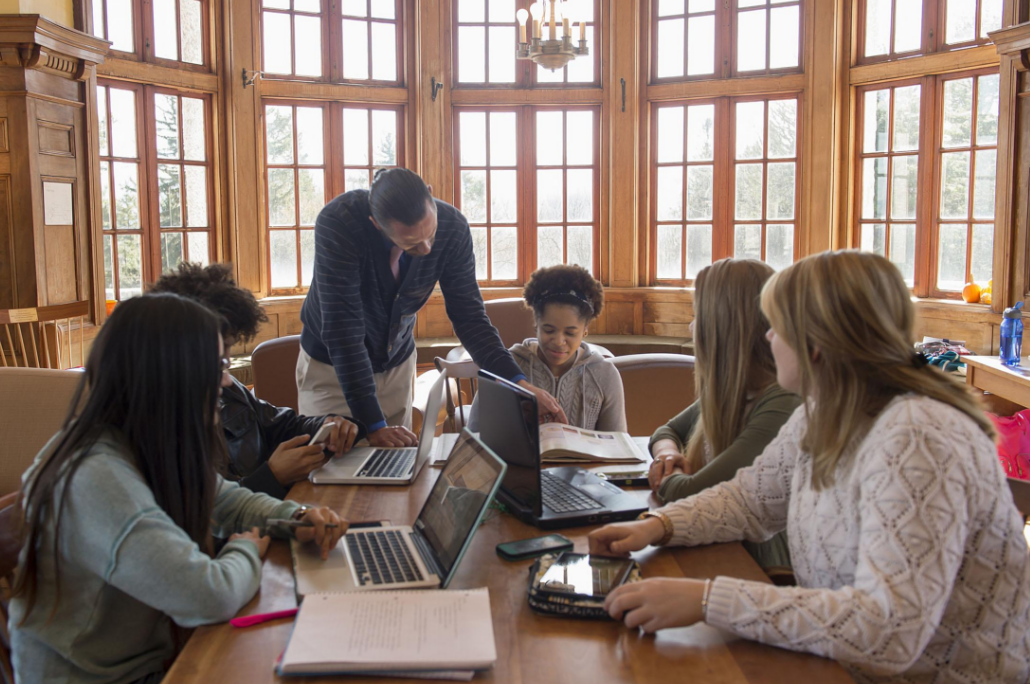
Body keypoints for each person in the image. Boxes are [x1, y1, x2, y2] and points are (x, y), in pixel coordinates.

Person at [588, 251, 1030, 683]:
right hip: (838, 663)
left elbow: (889, 631)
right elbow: (749, 501)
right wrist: (657, 526)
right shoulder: (822, 412)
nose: (767, 338)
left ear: (817, 344)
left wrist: (708, 600)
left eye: (777, 326)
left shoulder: (917, 437)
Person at [10, 294, 346, 684]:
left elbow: (226, 501)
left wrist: (296, 517)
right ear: (172, 374)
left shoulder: (144, 438)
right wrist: (245, 548)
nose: (226, 381)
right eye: (218, 366)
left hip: (157, 654)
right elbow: (209, 596)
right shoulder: (95, 477)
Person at [297, 168, 565, 448]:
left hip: (396, 364)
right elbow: (343, 330)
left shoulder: (453, 226)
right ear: (376, 224)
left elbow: (470, 318)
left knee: (391, 463)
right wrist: (374, 425)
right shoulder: (339, 223)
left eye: (431, 234)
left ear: (430, 193)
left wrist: (520, 386)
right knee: (332, 462)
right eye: (411, 244)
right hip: (334, 367)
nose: (426, 249)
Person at [150, 262, 363, 498]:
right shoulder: (157, 427)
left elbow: (280, 425)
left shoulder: (228, 389)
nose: (226, 373)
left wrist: (328, 426)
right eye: (219, 353)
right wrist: (272, 476)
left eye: (228, 350)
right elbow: (207, 511)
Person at [647, 258, 798, 570]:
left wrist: (666, 475)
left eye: (696, 316)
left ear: (721, 327)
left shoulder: (781, 403)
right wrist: (667, 456)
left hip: (760, 566)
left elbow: (691, 493)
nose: (691, 328)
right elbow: (665, 431)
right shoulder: (732, 390)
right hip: (718, 546)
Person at [468, 264, 626, 431]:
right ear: (536, 324)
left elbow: (617, 441)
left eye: (570, 333)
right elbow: (475, 433)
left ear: (585, 330)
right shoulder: (505, 367)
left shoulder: (604, 375)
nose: (558, 341)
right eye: (549, 330)